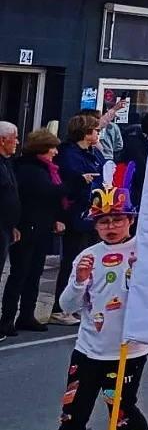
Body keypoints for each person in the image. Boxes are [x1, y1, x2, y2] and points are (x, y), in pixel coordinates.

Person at [20, 164, 148, 430]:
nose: (111, 227)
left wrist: (143, 279)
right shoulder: (88, 256)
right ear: (95, 225)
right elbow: (67, 306)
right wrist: (80, 281)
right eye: (103, 221)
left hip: (128, 352)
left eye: (117, 219)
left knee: (121, 412)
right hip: (88, 350)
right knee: (71, 419)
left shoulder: (146, 253)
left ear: (130, 220)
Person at [0, 130, 67, 338]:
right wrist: (76, 184)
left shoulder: (46, 168)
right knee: (20, 273)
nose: (56, 152)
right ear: (42, 148)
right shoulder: (28, 168)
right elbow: (46, 192)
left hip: (41, 226)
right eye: (52, 148)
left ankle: (27, 314)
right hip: (27, 226)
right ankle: (7, 318)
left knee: (35, 272)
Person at [50, 115, 106, 325]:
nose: (98, 134)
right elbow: (67, 181)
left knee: (92, 258)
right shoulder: (69, 154)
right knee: (73, 259)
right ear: (85, 133)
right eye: (95, 130)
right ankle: (61, 308)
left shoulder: (93, 152)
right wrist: (82, 180)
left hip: (94, 211)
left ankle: (83, 304)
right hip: (76, 212)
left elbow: (103, 169)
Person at [0, 121, 20, 297]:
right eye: (15, 138)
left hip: (6, 226)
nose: (17, 142)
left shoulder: (7, 163)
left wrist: (12, 225)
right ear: (2, 140)